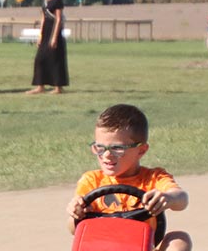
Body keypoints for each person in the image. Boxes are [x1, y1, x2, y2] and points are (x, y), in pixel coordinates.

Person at [67, 104, 191, 251]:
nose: (106, 155)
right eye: (100, 147)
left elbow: (182, 199)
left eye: (117, 148)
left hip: (142, 246)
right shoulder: (92, 180)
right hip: (102, 246)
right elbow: (74, 229)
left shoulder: (153, 178)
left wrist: (169, 198)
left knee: (180, 239)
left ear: (141, 150)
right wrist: (75, 213)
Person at [28, 0, 69, 95]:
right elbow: (43, 17)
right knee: (40, 58)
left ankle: (58, 88)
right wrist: (40, 35)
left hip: (54, 31)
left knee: (56, 60)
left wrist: (55, 37)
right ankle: (40, 86)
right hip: (45, 32)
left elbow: (58, 19)